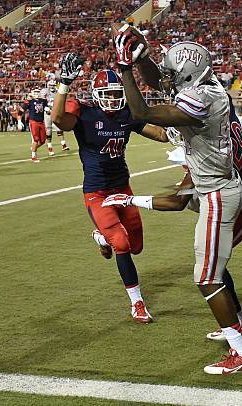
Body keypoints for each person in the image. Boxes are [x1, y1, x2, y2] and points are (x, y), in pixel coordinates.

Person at [103, 95, 242, 332]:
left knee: (214, 263)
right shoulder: (223, 117)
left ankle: (239, 324)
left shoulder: (206, 149)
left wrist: (130, 199)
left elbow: (177, 202)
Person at [113, 26, 242, 374]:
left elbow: (143, 112)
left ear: (188, 76)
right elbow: (160, 83)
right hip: (217, 188)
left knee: (206, 277)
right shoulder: (204, 88)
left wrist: (124, 69)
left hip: (218, 193)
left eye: (173, 74)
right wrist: (143, 56)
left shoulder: (200, 100)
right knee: (214, 270)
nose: (167, 78)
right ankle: (239, 328)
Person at [51, 61, 169, 324]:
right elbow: (59, 119)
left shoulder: (127, 114)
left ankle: (101, 238)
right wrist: (64, 84)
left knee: (136, 246)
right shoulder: (85, 113)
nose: (113, 99)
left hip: (123, 188)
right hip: (97, 191)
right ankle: (137, 303)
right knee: (123, 244)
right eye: (108, 94)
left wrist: (179, 128)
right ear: (96, 95)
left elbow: (160, 135)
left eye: (117, 94)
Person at [44, 79, 70, 155]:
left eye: (53, 85)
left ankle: (63, 144)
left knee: (59, 128)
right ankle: (50, 147)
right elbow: (41, 102)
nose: (52, 87)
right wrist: (45, 107)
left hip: (55, 111)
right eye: (51, 85)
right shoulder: (45, 92)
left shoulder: (57, 92)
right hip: (47, 112)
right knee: (48, 130)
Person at [23, 89, 49, 162]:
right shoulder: (30, 101)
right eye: (35, 92)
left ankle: (33, 148)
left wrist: (48, 110)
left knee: (43, 141)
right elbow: (22, 110)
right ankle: (33, 156)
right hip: (33, 121)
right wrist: (19, 121)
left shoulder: (43, 101)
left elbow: (47, 109)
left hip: (41, 122)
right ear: (32, 93)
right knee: (36, 139)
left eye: (38, 92)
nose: (37, 93)